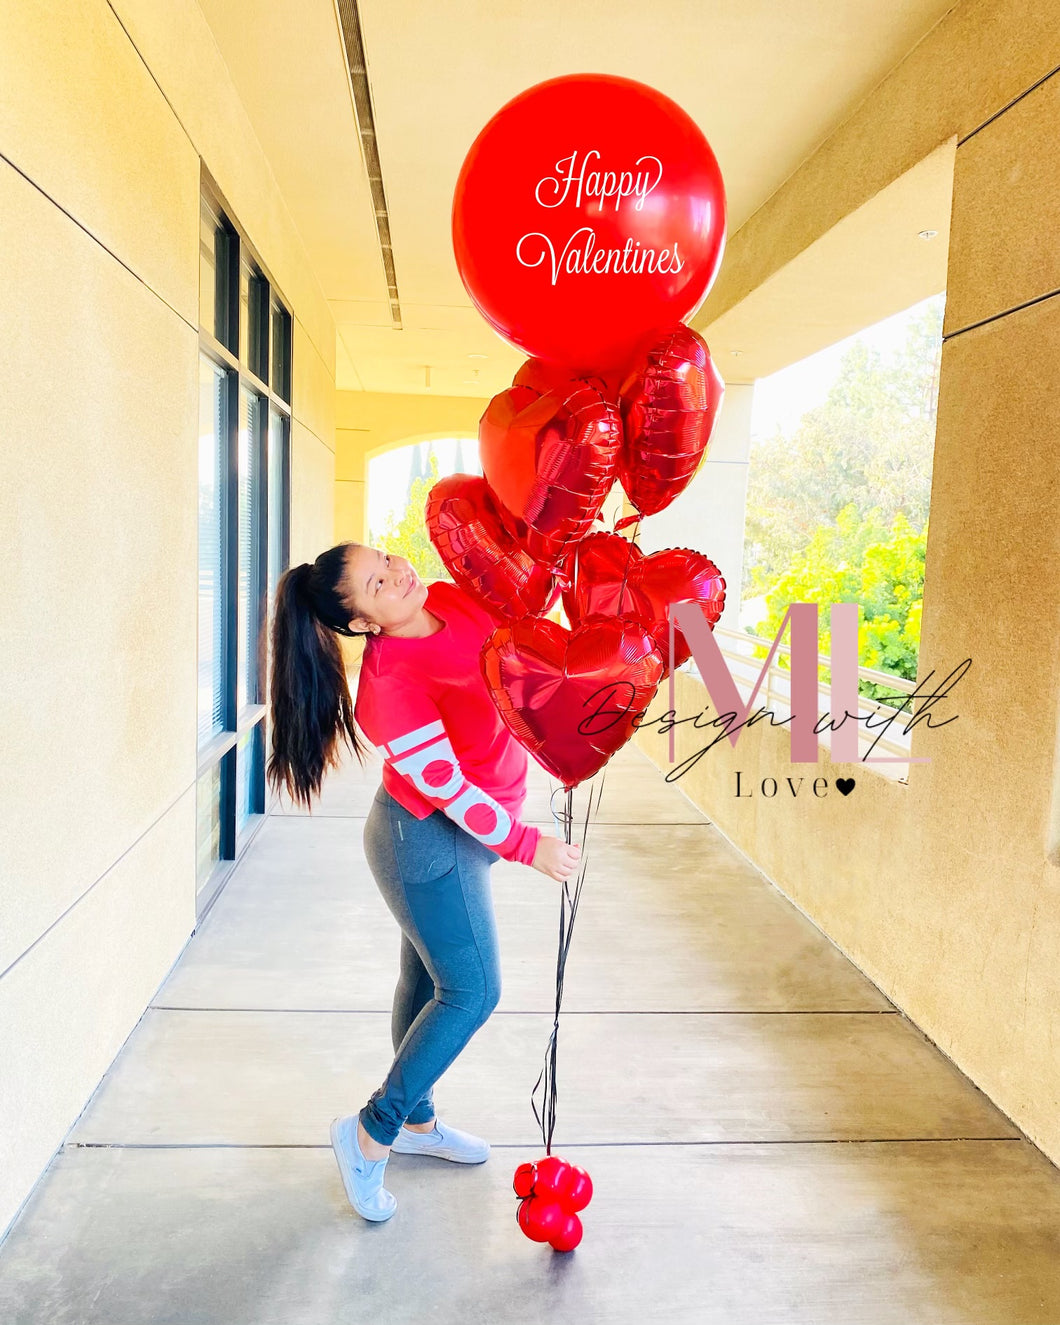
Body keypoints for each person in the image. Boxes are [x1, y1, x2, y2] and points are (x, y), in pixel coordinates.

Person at [266, 540, 581, 1223]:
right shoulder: (387, 685)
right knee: (472, 989)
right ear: (362, 622)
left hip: (464, 836)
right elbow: (452, 791)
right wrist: (531, 846)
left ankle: (417, 1123)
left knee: (427, 981)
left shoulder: (448, 597)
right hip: (425, 843)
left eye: (387, 558)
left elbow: (520, 625)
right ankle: (371, 1131)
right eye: (378, 582)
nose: (398, 572)